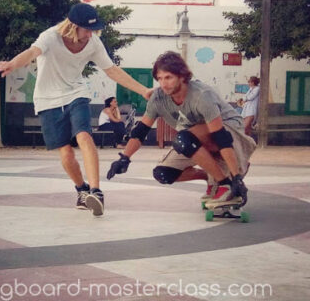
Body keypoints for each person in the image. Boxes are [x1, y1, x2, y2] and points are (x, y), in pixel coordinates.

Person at [0, 3, 151, 216]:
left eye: (93, 30)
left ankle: (96, 191)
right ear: (73, 26)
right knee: (66, 153)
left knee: (84, 136)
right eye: (86, 29)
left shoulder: (94, 43)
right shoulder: (51, 36)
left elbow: (112, 71)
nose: (90, 35)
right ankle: (82, 189)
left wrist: (143, 90)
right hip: (47, 99)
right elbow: (32, 52)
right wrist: (12, 63)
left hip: (76, 93)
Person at [107, 51, 257, 208]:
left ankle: (225, 183)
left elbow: (221, 137)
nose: (163, 84)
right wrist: (125, 158)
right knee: (163, 173)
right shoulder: (158, 98)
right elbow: (141, 131)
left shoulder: (201, 95)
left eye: (168, 77)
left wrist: (236, 176)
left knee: (184, 140)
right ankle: (212, 175)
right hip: (195, 137)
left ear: (182, 76)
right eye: (160, 78)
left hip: (230, 131)